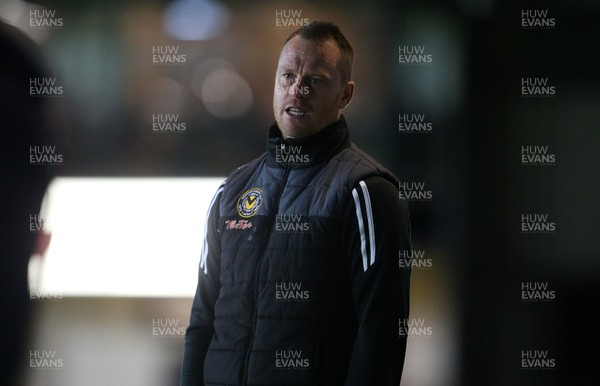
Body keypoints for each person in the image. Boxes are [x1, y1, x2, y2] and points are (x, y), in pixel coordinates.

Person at [181, 21, 412, 386]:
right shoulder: (231, 193)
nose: (298, 90)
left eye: (315, 80)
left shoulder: (366, 192)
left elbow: (381, 333)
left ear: (345, 95)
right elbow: (201, 322)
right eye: (287, 76)